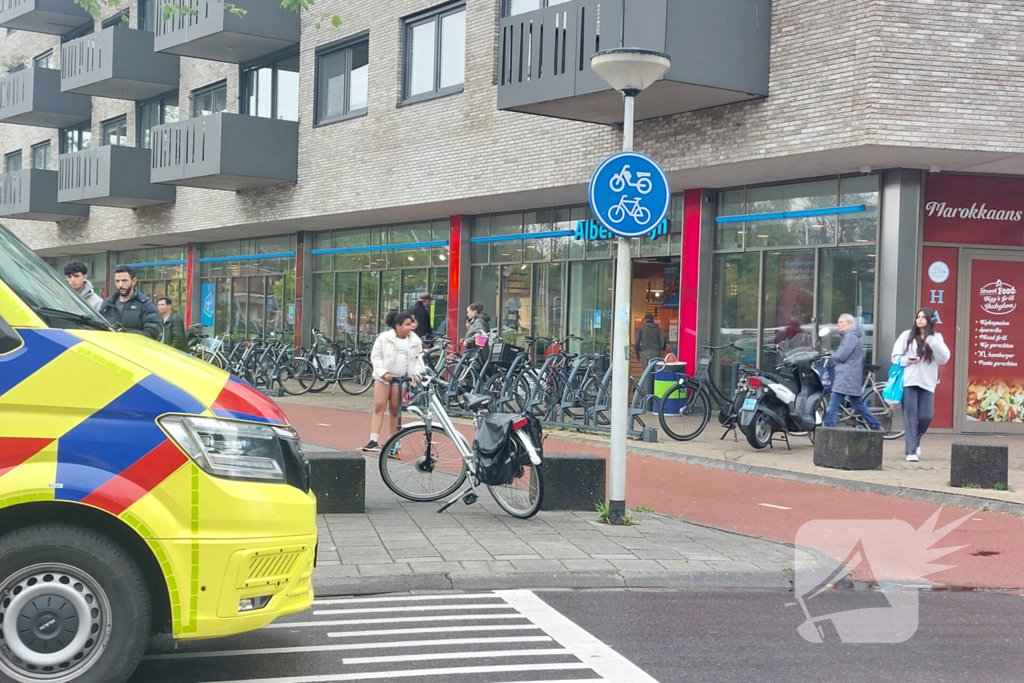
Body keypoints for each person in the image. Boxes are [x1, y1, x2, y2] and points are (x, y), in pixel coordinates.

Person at [891, 307, 950, 462]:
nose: (920, 319)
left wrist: (931, 342)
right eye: (918, 316)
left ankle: (915, 440)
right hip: (909, 381)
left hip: (927, 382)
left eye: (924, 317)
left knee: (926, 415)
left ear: (930, 320)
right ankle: (911, 451)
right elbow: (895, 357)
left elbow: (944, 358)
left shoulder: (937, 337)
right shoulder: (906, 336)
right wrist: (908, 360)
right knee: (910, 416)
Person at [363, 311, 426, 453]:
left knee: (395, 409)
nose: (410, 327)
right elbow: (376, 357)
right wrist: (383, 373)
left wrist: (416, 374)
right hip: (384, 377)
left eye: (411, 324)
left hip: (402, 378)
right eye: (407, 325)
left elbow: (417, 360)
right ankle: (373, 440)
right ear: (398, 326)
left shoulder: (415, 341)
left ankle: (393, 442)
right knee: (379, 406)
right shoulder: (384, 338)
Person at [824, 313, 881, 431]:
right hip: (851, 375)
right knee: (858, 404)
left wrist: (831, 353)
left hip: (845, 376)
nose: (838, 324)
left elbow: (841, 356)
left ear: (849, 324)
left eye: (841, 322)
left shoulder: (849, 337)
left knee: (833, 405)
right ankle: (875, 425)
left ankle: (826, 431)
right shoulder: (853, 336)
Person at [99, 265, 162, 340]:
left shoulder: (145, 305)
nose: (120, 285)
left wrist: (124, 333)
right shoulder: (107, 304)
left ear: (133, 281)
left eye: (124, 281)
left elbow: (153, 333)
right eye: (117, 281)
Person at [634, 314, 666, 393]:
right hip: (656, 353)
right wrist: (662, 351)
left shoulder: (641, 328)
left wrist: (637, 352)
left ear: (645, 319)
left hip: (646, 352)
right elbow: (663, 341)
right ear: (653, 319)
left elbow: (637, 341)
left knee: (646, 372)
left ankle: (647, 392)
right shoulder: (658, 328)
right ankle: (655, 391)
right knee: (656, 372)